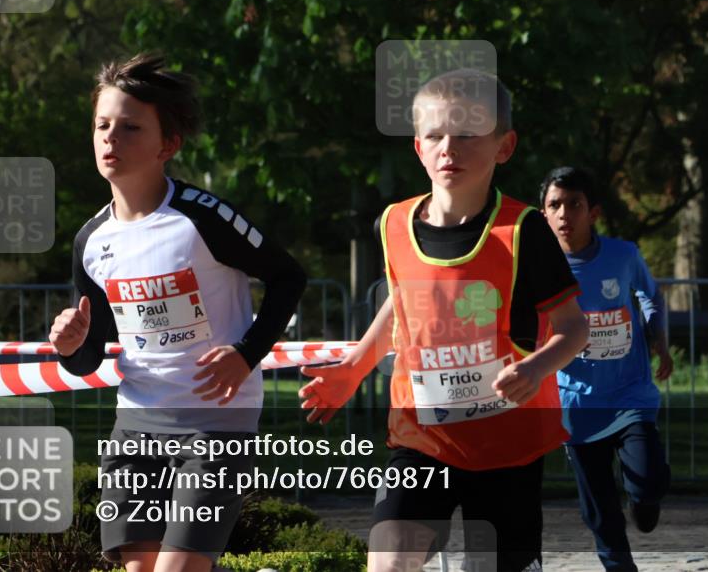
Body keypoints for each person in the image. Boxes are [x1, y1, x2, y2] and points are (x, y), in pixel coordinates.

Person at [300, 69, 590, 572]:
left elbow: (574, 327)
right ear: (418, 147)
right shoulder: (393, 223)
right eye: (435, 135)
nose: (448, 147)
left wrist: (536, 368)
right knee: (387, 563)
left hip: (507, 446)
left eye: (467, 134)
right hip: (422, 437)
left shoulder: (524, 231)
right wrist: (353, 367)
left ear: (504, 145)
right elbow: (402, 306)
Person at [48, 53, 306, 572]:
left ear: (168, 145)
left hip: (216, 426)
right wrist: (70, 347)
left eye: (129, 128)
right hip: (135, 423)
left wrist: (245, 354)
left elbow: (288, 277)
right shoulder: (90, 242)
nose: (110, 139)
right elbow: (90, 356)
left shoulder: (202, 218)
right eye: (102, 126)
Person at [539, 166, 673, 572]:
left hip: (629, 392)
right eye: (554, 205)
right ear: (542, 214)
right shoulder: (536, 268)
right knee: (597, 505)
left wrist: (659, 341)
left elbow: (651, 297)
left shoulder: (623, 255)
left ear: (592, 211)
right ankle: (618, 566)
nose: (565, 215)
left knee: (648, 477)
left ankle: (644, 498)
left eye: (574, 205)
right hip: (576, 400)